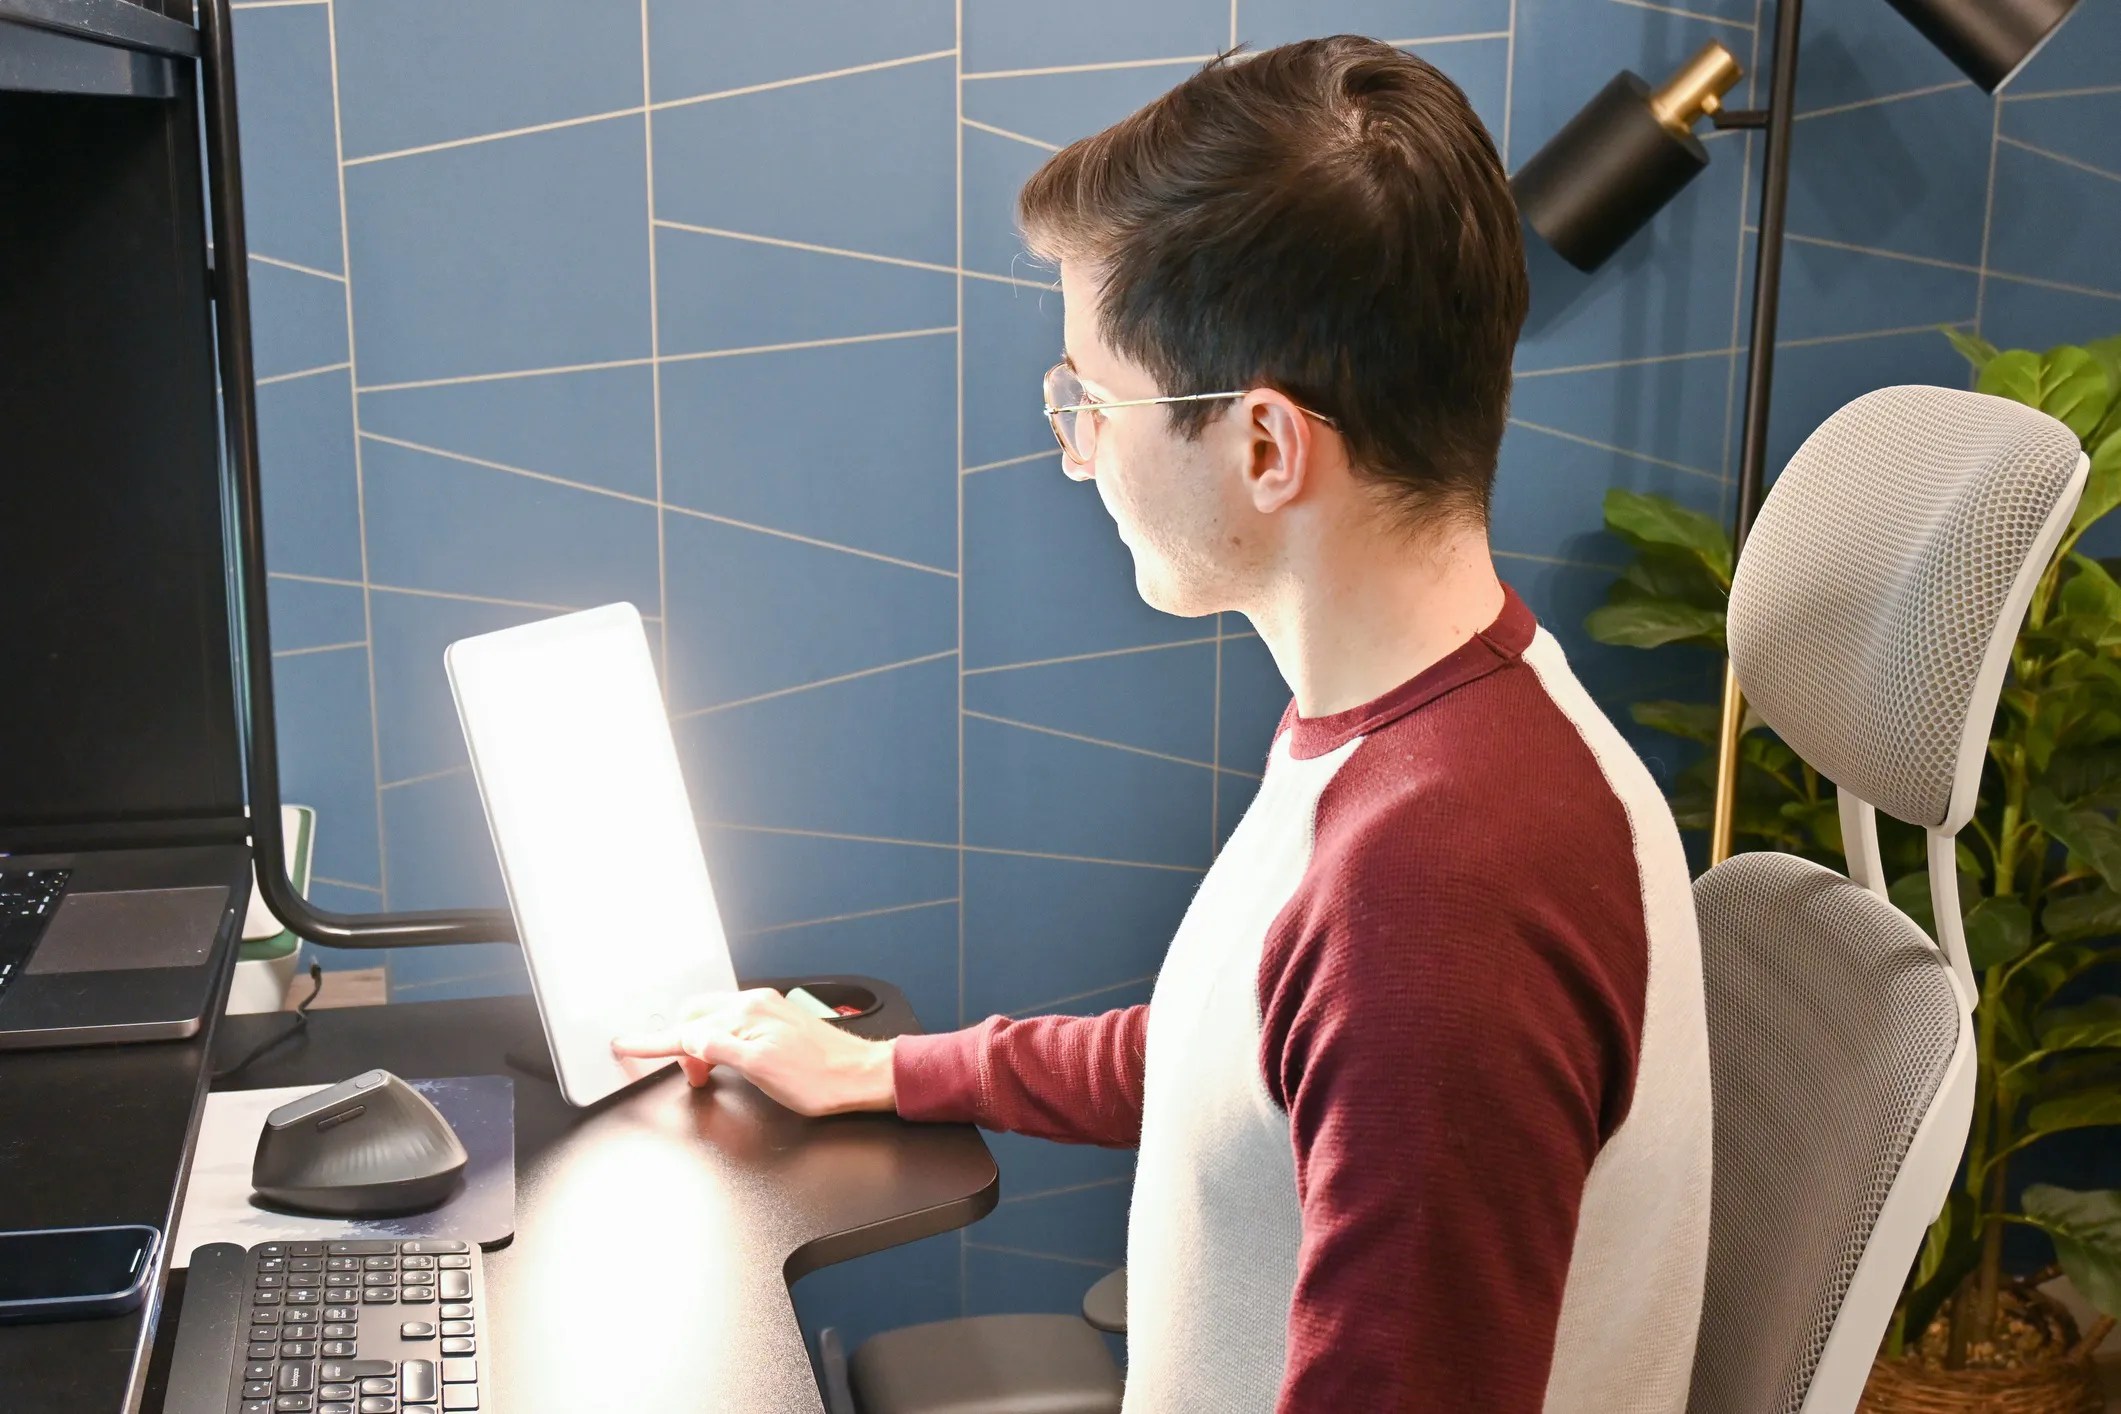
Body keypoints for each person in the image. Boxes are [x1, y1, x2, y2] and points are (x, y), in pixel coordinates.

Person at [615, 34, 1711, 1413]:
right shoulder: (1417, 740)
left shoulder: (1444, 888)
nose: (1073, 447)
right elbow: (1246, 1052)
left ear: (1263, 445)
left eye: (1091, 398)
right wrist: (880, 1067)